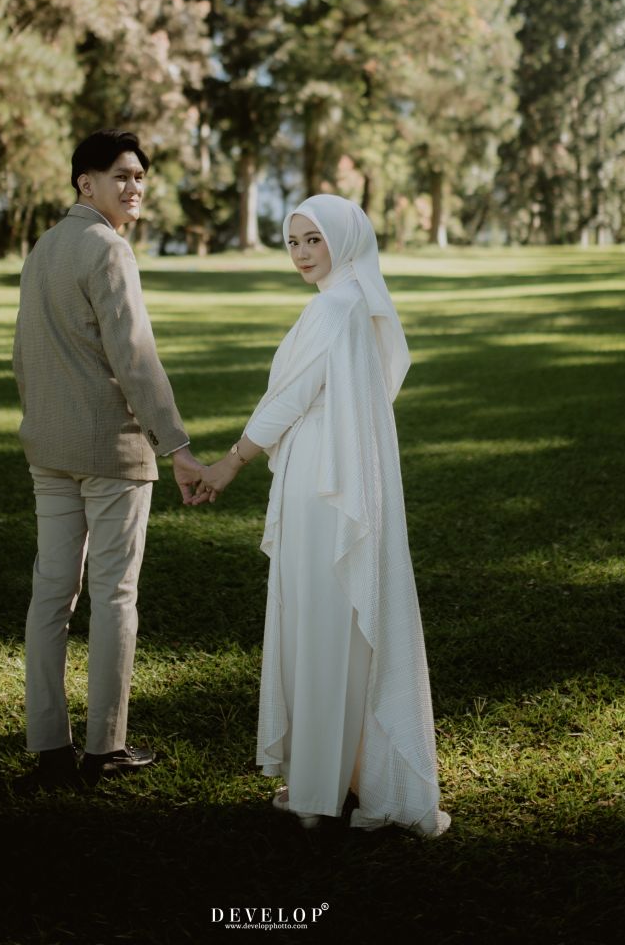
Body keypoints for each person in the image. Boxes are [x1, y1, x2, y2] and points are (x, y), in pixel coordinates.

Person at [197, 194, 449, 837]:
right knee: (339, 627)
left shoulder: (333, 308)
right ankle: (341, 777)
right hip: (346, 473)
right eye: (294, 241)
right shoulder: (361, 301)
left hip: (322, 481)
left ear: (345, 239)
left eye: (315, 239)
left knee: (319, 624)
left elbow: (286, 401)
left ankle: (315, 792)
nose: (303, 253)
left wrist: (228, 464)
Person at [13, 129, 206, 788]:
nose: (134, 187)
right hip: (110, 451)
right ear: (85, 183)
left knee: (51, 594)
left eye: (140, 177)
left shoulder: (43, 248)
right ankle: (105, 747)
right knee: (114, 595)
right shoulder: (109, 248)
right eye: (121, 175)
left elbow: (23, 354)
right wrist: (176, 446)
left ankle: (48, 748)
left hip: (48, 447)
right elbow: (136, 358)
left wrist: (41, 418)